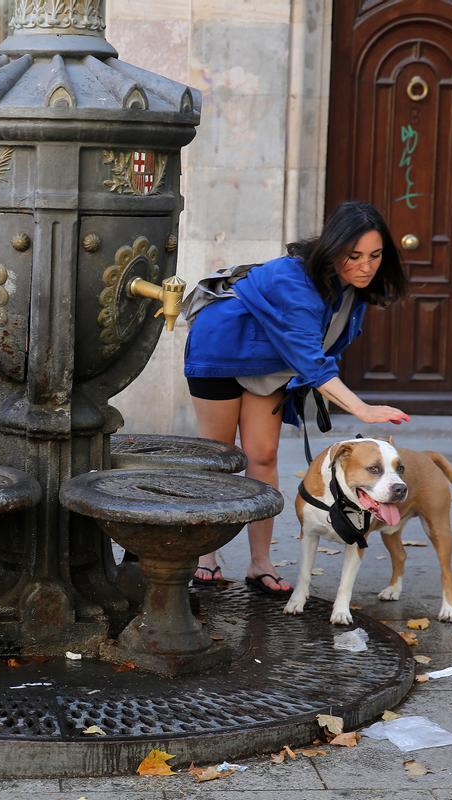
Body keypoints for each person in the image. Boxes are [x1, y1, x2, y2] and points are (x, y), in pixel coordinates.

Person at [183, 201, 410, 596]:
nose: (366, 266)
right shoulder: (296, 279)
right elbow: (311, 358)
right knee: (218, 457)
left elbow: (320, 351)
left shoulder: (353, 289)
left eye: (375, 256)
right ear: (333, 248)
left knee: (264, 455)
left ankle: (260, 562)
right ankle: (205, 556)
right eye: (353, 256)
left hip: (270, 364)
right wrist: (361, 408)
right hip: (220, 350)